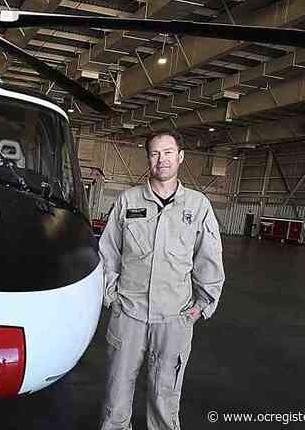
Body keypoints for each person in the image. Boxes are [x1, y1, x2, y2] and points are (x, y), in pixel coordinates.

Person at [99, 130, 225, 430]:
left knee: (165, 395)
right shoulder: (128, 201)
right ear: (148, 159)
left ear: (180, 157)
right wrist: (112, 296)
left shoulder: (197, 206)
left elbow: (209, 258)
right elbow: (108, 252)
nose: (162, 159)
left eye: (168, 152)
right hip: (129, 314)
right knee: (116, 394)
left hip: (174, 318)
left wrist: (201, 306)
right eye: (155, 153)